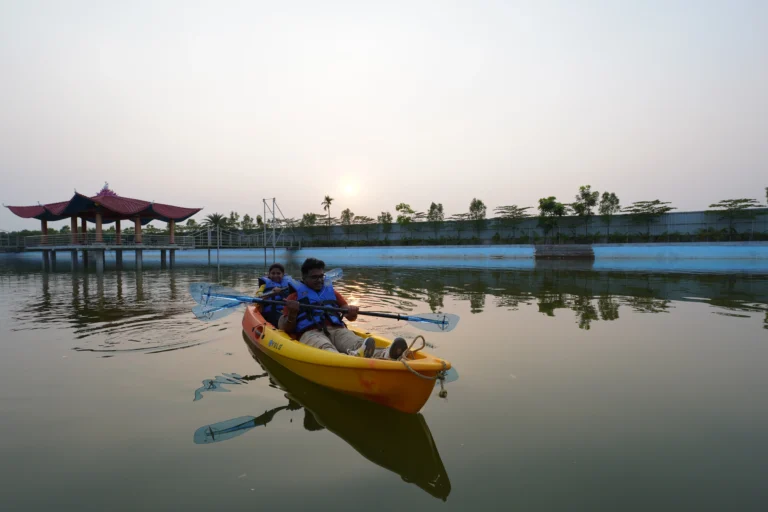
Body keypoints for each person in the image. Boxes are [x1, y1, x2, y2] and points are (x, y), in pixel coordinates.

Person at [279, 258, 406, 359]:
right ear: (304, 278)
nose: (319, 280)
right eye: (314, 277)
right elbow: (284, 327)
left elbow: (350, 317)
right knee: (325, 347)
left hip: (336, 330)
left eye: (321, 276)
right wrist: (292, 314)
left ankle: (386, 354)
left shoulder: (332, 293)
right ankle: (352, 358)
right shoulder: (293, 297)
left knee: (357, 343)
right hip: (310, 332)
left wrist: (352, 312)